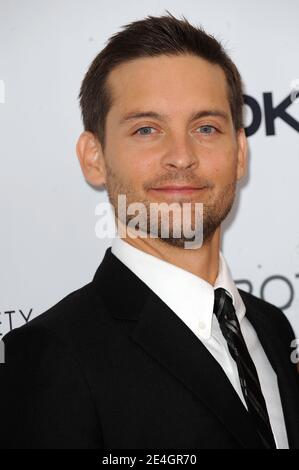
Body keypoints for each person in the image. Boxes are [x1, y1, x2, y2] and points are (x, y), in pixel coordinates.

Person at [0, 11, 298, 450]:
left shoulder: (272, 328)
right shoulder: (47, 356)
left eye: (205, 127)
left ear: (239, 152)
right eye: (146, 129)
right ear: (94, 157)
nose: (182, 155)